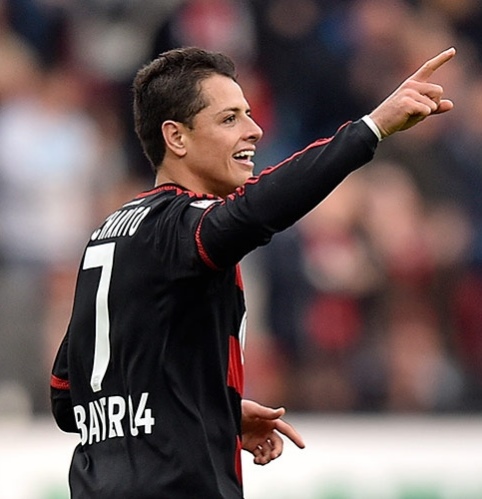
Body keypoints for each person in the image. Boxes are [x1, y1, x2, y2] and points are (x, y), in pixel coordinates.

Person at [50, 45, 455, 498]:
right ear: (176, 137)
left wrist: (207, 408)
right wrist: (372, 128)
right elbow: (256, 211)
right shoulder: (184, 227)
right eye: (229, 119)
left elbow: (67, 397)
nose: (255, 129)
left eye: (247, 114)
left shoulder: (109, 234)